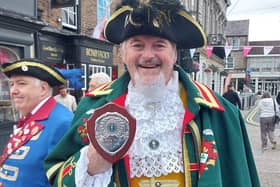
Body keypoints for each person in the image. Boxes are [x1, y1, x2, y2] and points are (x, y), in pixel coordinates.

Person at [44, 1, 260, 187]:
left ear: (174, 54)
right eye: (137, 45)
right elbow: (57, 173)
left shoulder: (220, 112)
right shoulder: (94, 106)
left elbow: (239, 177)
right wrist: (90, 164)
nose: (148, 55)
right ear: (123, 53)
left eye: (159, 45)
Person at [0, 59, 73, 187]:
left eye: (21, 84)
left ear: (43, 89)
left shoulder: (63, 122)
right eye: (11, 84)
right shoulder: (31, 118)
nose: (13, 91)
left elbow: (68, 180)